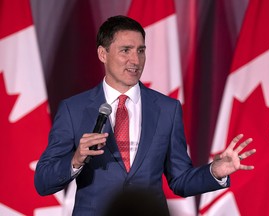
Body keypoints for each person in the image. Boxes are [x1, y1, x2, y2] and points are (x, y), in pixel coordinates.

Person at [34, 15, 256, 216]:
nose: (136, 60)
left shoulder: (167, 109)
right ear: (103, 54)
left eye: (141, 50)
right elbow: (43, 182)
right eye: (125, 50)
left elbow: (180, 180)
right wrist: (76, 159)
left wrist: (215, 171)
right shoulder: (74, 109)